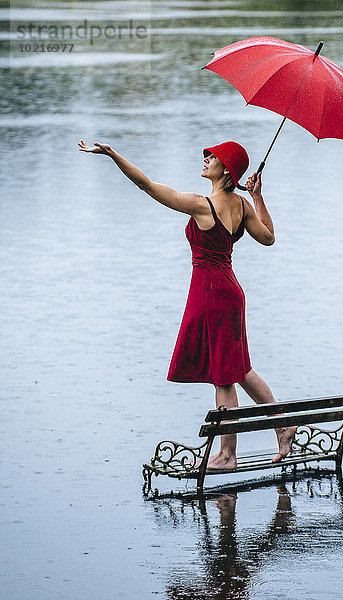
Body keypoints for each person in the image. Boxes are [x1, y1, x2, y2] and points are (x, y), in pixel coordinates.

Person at [78, 139, 296, 469]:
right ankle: (283, 424)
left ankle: (227, 455)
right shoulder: (241, 206)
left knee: (224, 377)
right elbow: (268, 236)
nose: (206, 158)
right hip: (229, 292)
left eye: (213, 157)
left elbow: (147, 186)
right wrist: (257, 195)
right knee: (240, 370)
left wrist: (112, 155)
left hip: (212, 295)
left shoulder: (201, 205)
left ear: (226, 170)